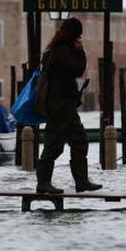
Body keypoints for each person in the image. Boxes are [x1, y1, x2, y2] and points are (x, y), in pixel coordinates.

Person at [37, 17, 102, 194]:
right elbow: (77, 69)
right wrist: (81, 53)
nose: (79, 39)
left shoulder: (53, 51)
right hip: (61, 105)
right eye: (78, 36)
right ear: (72, 34)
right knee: (54, 143)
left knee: (79, 140)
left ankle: (81, 182)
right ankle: (43, 183)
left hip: (63, 104)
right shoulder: (62, 51)